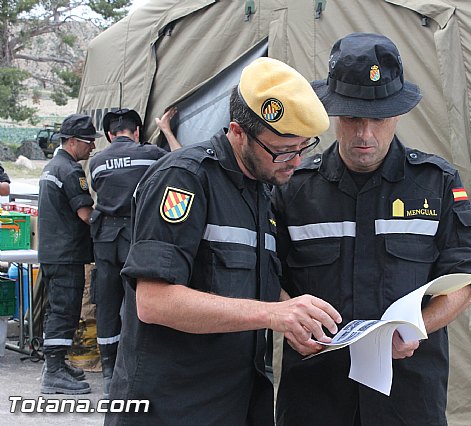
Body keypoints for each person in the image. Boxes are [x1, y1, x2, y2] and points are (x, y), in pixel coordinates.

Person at [105, 57, 341, 425]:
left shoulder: (262, 188)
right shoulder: (184, 179)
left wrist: (296, 315)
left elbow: (251, 277)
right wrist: (274, 314)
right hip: (174, 406)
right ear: (238, 131)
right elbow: (153, 301)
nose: (295, 162)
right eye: (282, 150)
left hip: (239, 399)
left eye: (303, 148)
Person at [272, 32, 471, 426]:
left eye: (379, 118)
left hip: (407, 398)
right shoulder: (294, 188)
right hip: (315, 395)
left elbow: (464, 280)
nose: (365, 134)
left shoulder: (437, 183)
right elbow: (266, 272)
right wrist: (288, 315)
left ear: (399, 114)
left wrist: (418, 327)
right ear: (333, 113)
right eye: (353, 117)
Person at [88, 107, 181, 396]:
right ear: (137, 132)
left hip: (104, 238)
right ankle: (132, 371)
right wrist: (166, 130)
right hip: (134, 236)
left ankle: (107, 373)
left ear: (108, 135)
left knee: (106, 303)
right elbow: (181, 160)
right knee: (139, 302)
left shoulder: (96, 162)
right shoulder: (151, 154)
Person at [38, 114, 101, 395]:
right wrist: (111, 221)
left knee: (56, 309)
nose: (92, 148)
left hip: (52, 251)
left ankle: (57, 364)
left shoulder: (51, 166)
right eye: (89, 142)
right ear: (73, 141)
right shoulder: (71, 171)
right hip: (67, 253)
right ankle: (53, 373)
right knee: (65, 311)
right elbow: (86, 215)